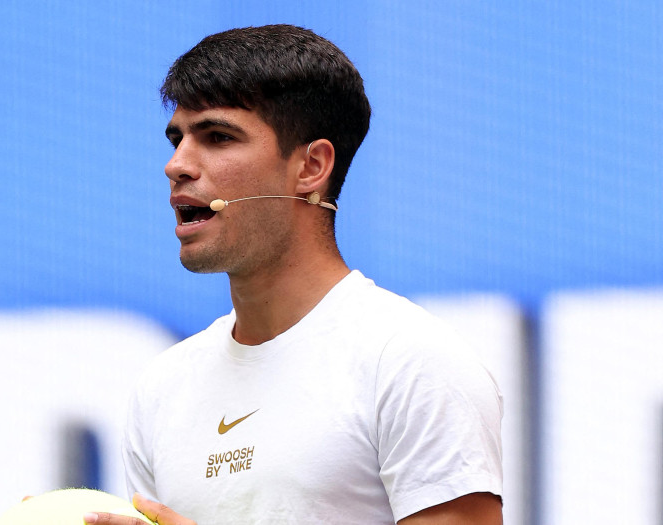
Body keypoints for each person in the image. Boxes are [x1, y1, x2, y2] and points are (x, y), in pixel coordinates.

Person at [83, 24, 503, 525]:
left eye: (217, 137)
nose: (177, 165)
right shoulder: (162, 388)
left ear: (311, 167)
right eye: (177, 139)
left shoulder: (411, 361)